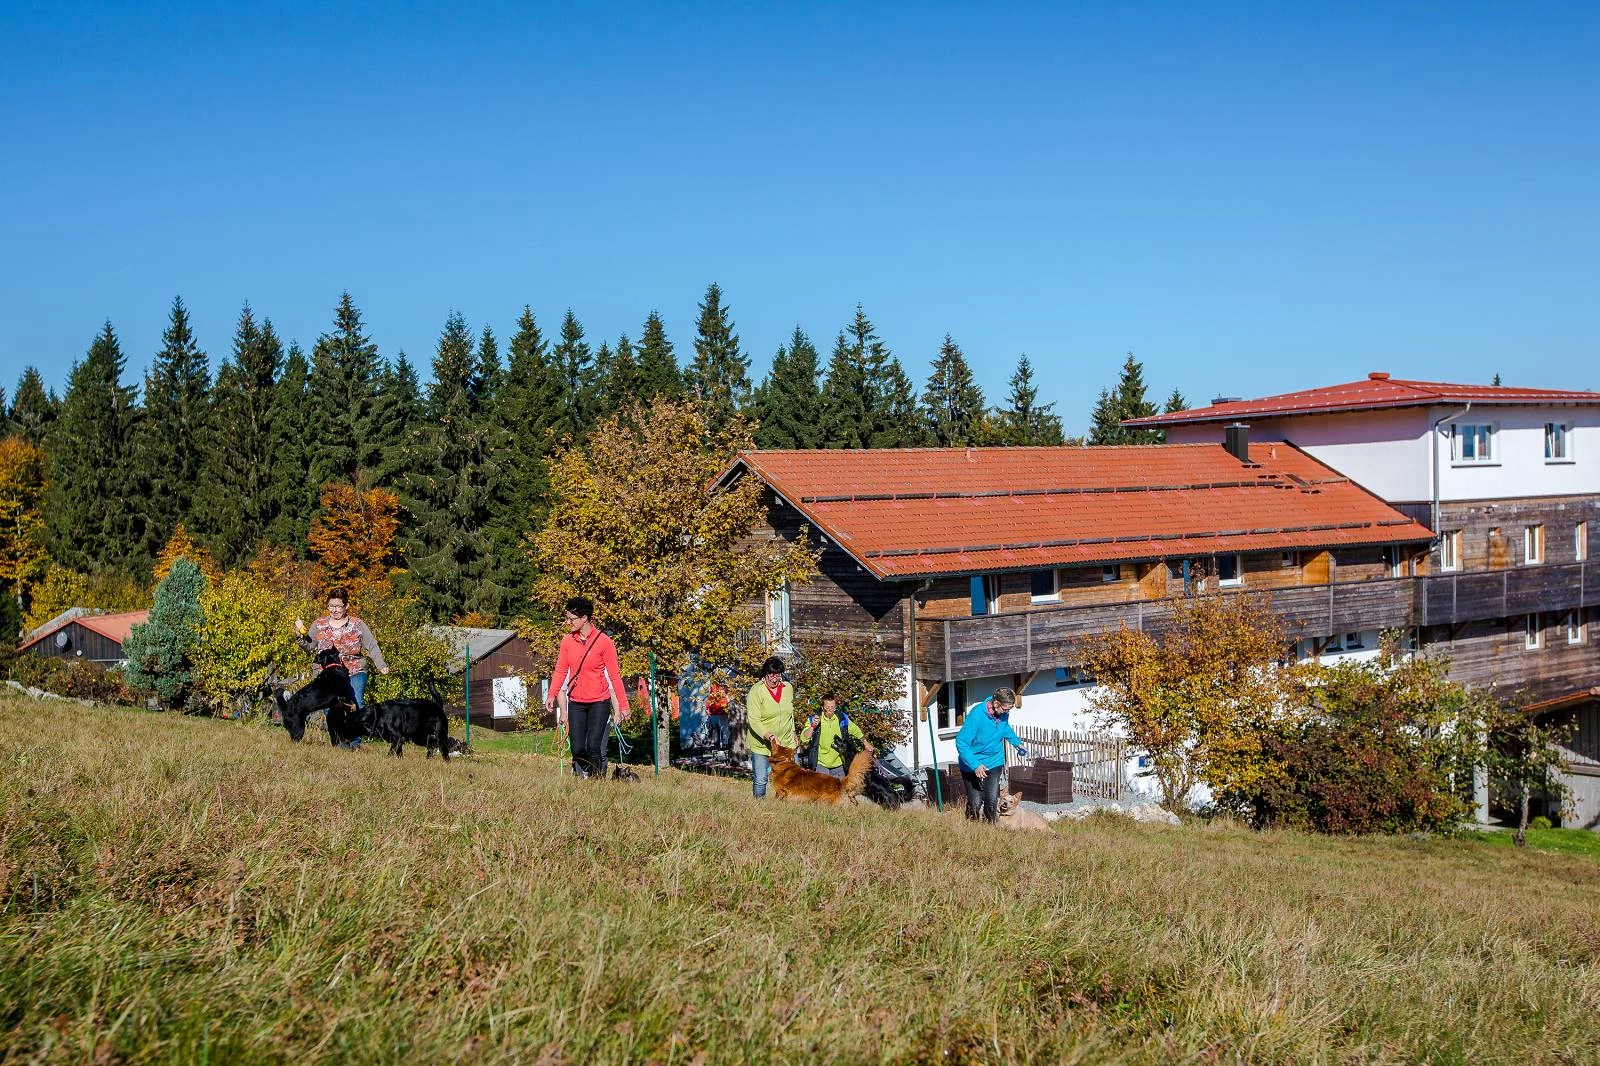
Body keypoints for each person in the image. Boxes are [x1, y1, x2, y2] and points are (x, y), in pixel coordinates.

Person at [544, 597, 630, 779]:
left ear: (584, 618)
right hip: (576, 702)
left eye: (571, 619)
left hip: (599, 702)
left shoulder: (604, 642)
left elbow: (614, 676)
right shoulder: (567, 641)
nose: (567, 622)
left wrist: (623, 706)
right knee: (577, 747)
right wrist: (551, 694)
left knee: (593, 746)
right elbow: (560, 670)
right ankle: (585, 773)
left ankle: (595, 782)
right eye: (566, 618)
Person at [295, 587, 389, 747]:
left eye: (339, 606)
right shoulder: (319, 624)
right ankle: (339, 743)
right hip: (326, 675)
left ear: (346, 606)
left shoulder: (358, 624)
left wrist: (381, 665)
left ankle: (355, 742)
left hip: (354, 670)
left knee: (356, 702)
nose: (335, 609)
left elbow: (371, 645)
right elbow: (309, 646)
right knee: (330, 707)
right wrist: (299, 635)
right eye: (332, 606)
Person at [954, 687, 1027, 823]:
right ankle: (972, 829)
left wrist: (1017, 743)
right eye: (1005, 709)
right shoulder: (977, 715)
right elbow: (961, 742)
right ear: (996, 704)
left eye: (1009, 710)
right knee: (975, 802)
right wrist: (975, 764)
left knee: (992, 800)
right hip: (972, 763)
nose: (1007, 712)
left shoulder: (1003, 714)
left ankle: (990, 830)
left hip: (994, 760)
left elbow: (1005, 728)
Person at [744, 656, 798, 799]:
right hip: (762, 744)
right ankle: (758, 807)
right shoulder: (756, 691)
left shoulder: (788, 688)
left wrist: (793, 733)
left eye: (778, 675)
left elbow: (790, 714)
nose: (775, 679)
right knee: (761, 779)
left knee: (791, 778)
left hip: (784, 744)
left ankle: (787, 806)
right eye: (771, 675)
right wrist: (769, 735)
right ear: (765, 674)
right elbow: (754, 720)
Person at [799, 695, 872, 778]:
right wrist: (813, 726)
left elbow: (856, 730)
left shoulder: (842, 718)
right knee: (824, 790)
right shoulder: (814, 719)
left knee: (841, 790)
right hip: (821, 765)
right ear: (822, 707)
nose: (830, 709)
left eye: (832, 707)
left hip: (839, 765)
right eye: (828, 707)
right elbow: (804, 739)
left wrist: (866, 743)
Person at [704, 680, 730, 750]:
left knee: (723, 728)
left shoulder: (716, 688)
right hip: (719, 711)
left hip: (721, 710)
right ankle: (723, 743)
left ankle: (724, 743)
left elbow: (710, 699)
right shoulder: (715, 688)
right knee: (721, 728)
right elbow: (710, 699)